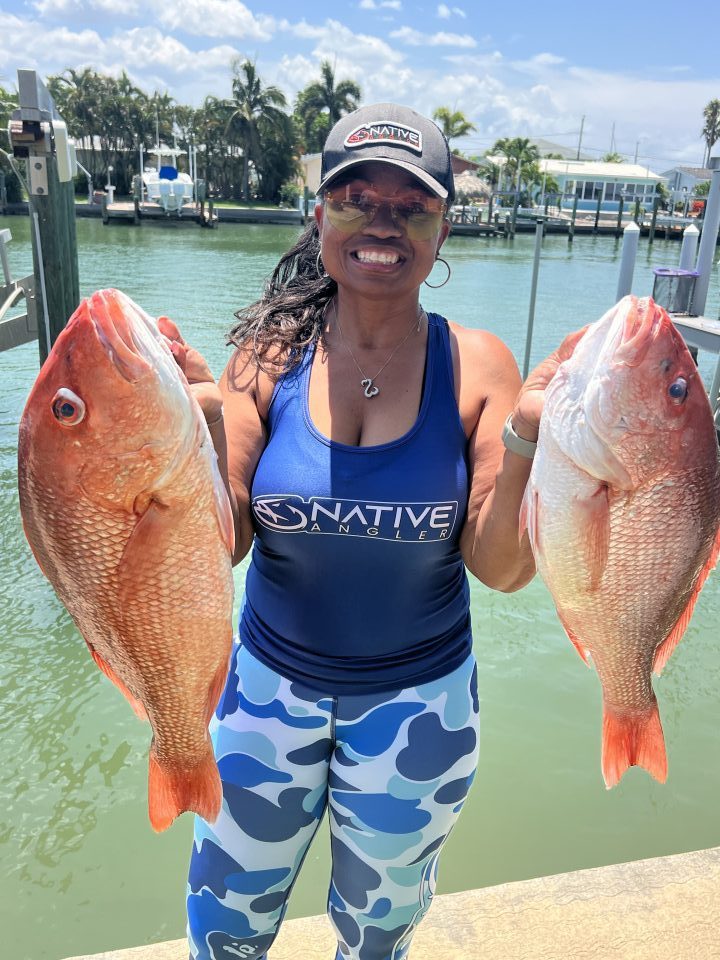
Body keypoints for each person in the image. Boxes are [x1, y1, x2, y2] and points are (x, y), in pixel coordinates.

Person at [161, 102, 579, 960]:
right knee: (222, 926)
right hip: (262, 697)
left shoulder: (478, 364)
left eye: (411, 205)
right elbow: (224, 541)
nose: (381, 224)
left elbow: (500, 569)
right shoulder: (266, 356)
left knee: (377, 937)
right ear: (321, 214)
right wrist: (194, 428)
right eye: (356, 199)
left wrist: (531, 435)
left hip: (418, 705)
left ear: (442, 227)